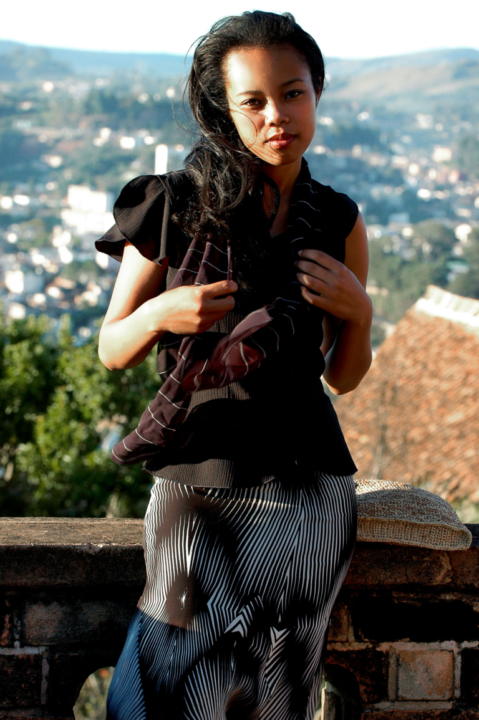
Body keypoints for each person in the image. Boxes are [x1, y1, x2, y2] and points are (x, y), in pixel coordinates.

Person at [95, 10, 372, 720]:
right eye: (253, 100)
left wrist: (361, 313)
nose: (277, 115)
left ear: (316, 93)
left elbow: (340, 377)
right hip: (200, 484)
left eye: (293, 93)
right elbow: (111, 348)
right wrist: (161, 314)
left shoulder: (338, 220)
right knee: (170, 687)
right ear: (223, 109)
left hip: (311, 491)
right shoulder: (173, 206)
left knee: (281, 688)